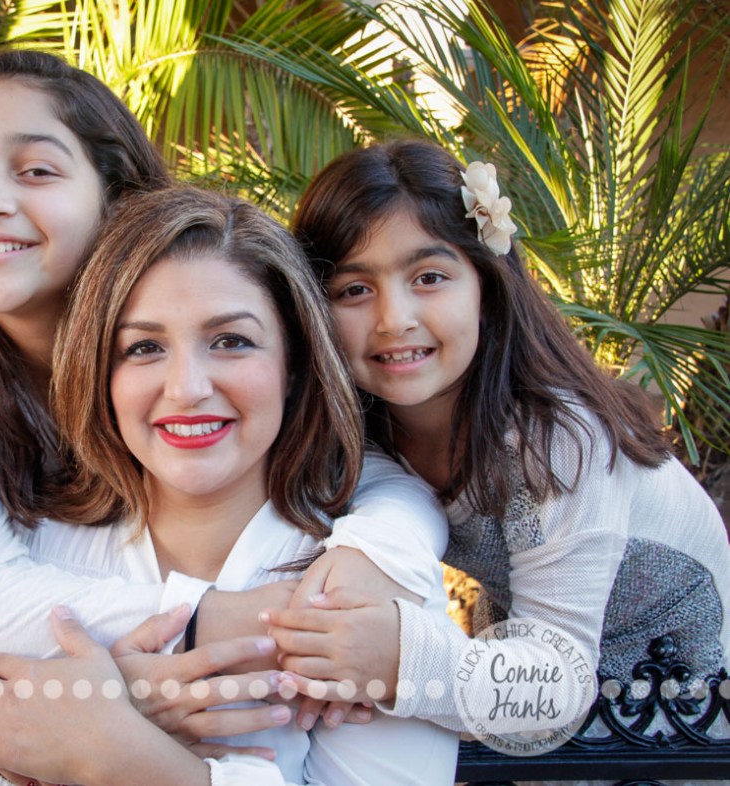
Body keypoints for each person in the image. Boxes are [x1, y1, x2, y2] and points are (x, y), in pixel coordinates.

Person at [0, 46, 447, 722]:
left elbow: (352, 458)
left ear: (120, 198)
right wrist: (238, 623)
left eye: (37, 170)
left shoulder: (216, 284)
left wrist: (382, 547)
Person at [0, 186, 460, 785]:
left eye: (231, 341)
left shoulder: (367, 586)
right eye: (144, 347)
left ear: (294, 365)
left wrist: (123, 757)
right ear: (100, 371)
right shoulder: (32, 546)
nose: (185, 387)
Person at [274, 138, 730, 737]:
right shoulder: (362, 430)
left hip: (681, 718)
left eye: (429, 277)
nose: (394, 318)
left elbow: (560, 687)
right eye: (354, 290)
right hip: (528, 680)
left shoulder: (559, 441)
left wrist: (393, 659)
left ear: (486, 287)